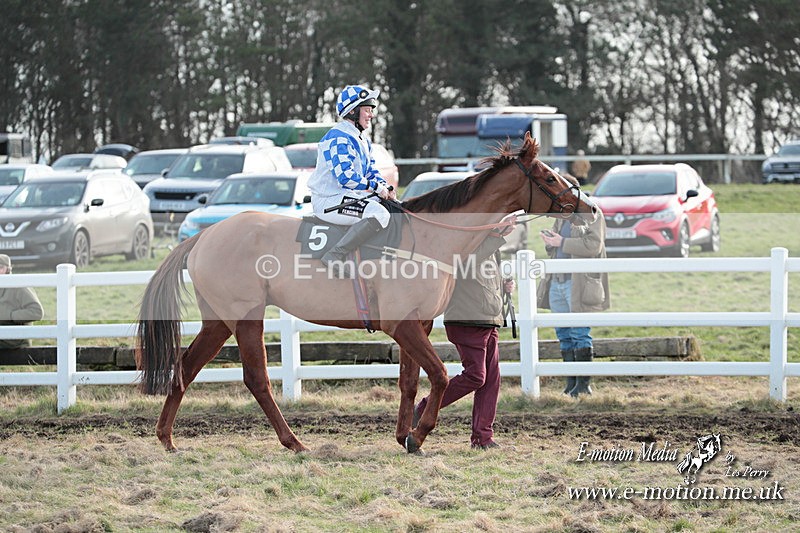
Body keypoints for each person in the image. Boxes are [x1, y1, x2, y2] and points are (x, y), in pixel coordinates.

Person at [413, 219, 516, 450]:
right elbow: (466, 266)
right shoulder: (467, 242)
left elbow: (482, 278)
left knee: (491, 381)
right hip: (467, 320)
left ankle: (483, 438)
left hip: (488, 320)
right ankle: (422, 409)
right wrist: (496, 236)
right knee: (476, 376)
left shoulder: (489, 246)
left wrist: (503, 285)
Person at [308, 84, 397, 277]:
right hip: (328, 200)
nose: (371, 115)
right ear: (353, 111)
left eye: (371, 110)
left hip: (346, 197)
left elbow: (371, 171)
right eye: (367, 110)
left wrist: (385, 187)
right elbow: (346, 177)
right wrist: (375, 187)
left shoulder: (363, 140)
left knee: (392, 209)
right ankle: (334, 255)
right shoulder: (338, 137)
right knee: (379, 214)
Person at [538, 211, 609, 397]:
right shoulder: (561, 217)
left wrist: (561, 242)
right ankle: (571, 384)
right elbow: (555, 248)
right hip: (557, 281)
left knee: (579, 332)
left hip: (577, 282)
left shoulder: (592, 215)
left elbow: (594, 246)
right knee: (563, 333)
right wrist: (550, 242)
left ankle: (583, 386)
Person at [0, 254, 44, 349]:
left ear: (8, 269)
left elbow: (37, 312)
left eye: (0, 268)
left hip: (15, 339)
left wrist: (9, 315)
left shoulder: (19, 286)